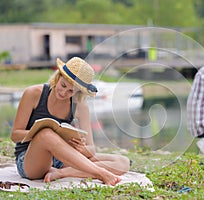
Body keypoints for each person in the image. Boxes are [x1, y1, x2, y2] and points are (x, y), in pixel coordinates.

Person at [11, 57, 131, 185]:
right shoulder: (34, 93)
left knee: (122, 163)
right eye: (63, 85)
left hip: (59, 160)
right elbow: (15, 136)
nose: (63, 92)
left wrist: (81, 148)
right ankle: (101, 173)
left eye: (70, 91)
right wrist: (42, 134)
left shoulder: (80, 106)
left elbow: (91, 149)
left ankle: (62, 173)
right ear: (58, 76)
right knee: (45, 134)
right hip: (30, 161)